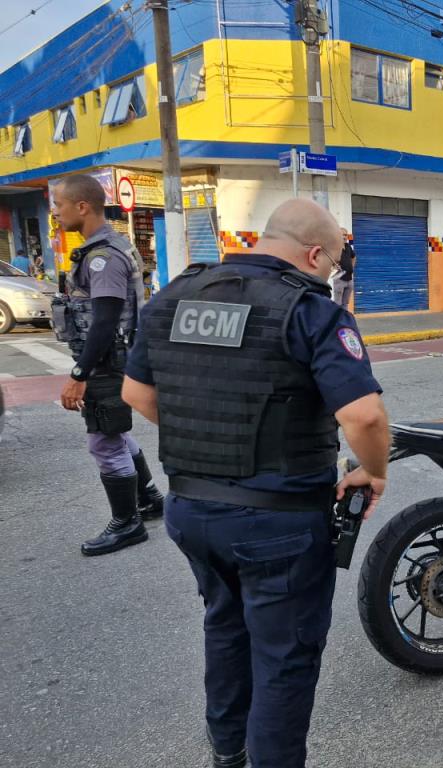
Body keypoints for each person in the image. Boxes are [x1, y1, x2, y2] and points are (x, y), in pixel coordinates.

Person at [121, 198, 391, 768]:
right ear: (315, 254)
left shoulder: (174, 296)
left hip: (192, 510)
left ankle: (228, 754)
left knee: (226, 627)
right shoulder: (310, 311)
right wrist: (374, 471)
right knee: (285, 657)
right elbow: (363, 417)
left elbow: (137, 396)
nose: (331, 275)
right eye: (333, 265)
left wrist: (214, 435)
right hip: (278, 521)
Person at [50, 174, 164, 557]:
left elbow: (104, 320)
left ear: (82, 206)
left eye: (59, 205)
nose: (55, 212)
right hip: (114, 361)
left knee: (103, 439)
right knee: (115, 433)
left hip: (105, 363)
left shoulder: (102, 257)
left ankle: (126, 523)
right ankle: (147, 498)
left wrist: (79, 375)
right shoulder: (106, 248)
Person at [331, 228, 356, 310]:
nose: (344, 237)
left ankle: (344, 320)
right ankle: (337, 321)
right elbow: (328, 260)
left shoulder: (348, 246)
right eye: (342, 234)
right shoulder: (334, 247)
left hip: (349, 279)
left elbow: (353, 257)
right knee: (338, 303)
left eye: (345, 235)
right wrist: (333, 267)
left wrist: (352, 267)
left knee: (345, 303)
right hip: (339, 278)